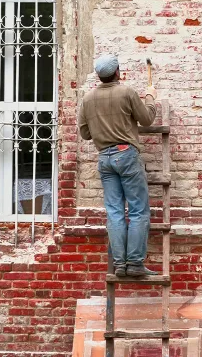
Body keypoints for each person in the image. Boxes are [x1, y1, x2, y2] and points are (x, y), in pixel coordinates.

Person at [77, 54, 158, 277]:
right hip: (126, 154)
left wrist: (101, 124)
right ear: (117, 72)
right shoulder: (127, 92)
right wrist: (150, 97)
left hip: (104, 158)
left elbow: (85, 134)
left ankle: (119, 264)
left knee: (114, 212)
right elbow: (147, 119)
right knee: (138, 210)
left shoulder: (88, 98)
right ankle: (134, 263)